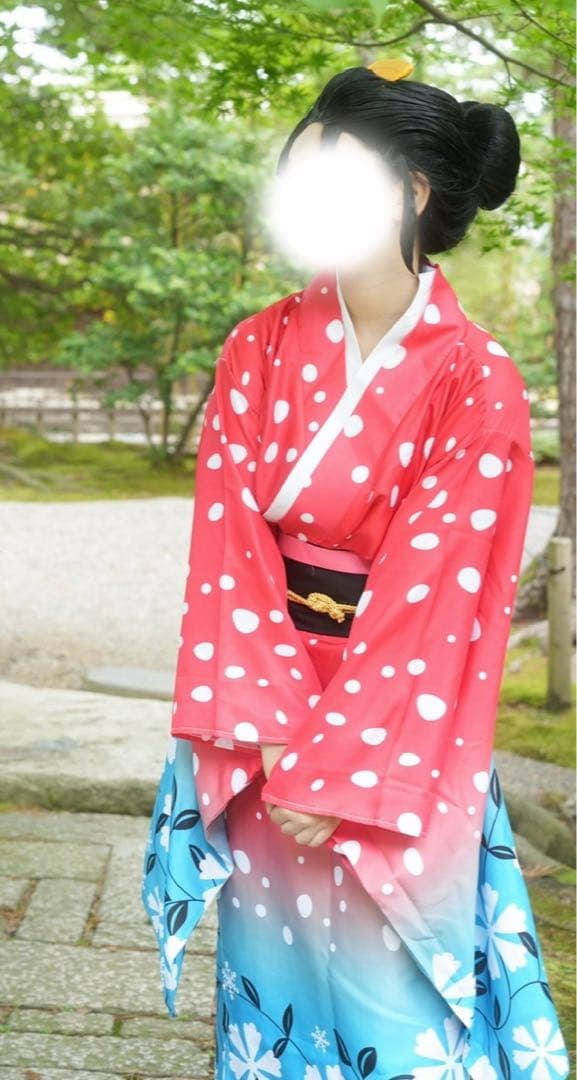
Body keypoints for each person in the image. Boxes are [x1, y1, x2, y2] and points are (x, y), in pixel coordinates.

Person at [141, 60, 571, 1079]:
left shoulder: (476, 378)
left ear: (411, 192)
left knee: (395, 1001)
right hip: (265, 716)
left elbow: (445, 589)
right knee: (271, 985)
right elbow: (228, 549)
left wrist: (342, 766)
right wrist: (274, 735)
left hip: (397, 733)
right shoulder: (257, 347)